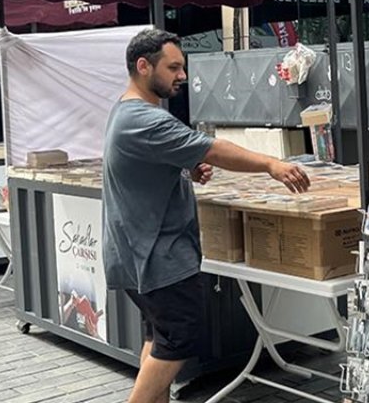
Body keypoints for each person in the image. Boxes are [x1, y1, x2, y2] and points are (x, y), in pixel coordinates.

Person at [102, 29, 310, 403]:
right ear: (143, 66)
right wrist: (270, 164)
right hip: (157, 255)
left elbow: (159, 164)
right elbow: (214, 149)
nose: (182, 75)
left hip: (135, 253)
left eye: (182, 67)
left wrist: (186, 169)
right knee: (179, 340)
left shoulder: (126, 110)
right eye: (174, 67)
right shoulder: (147, 119)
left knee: (160, 337)